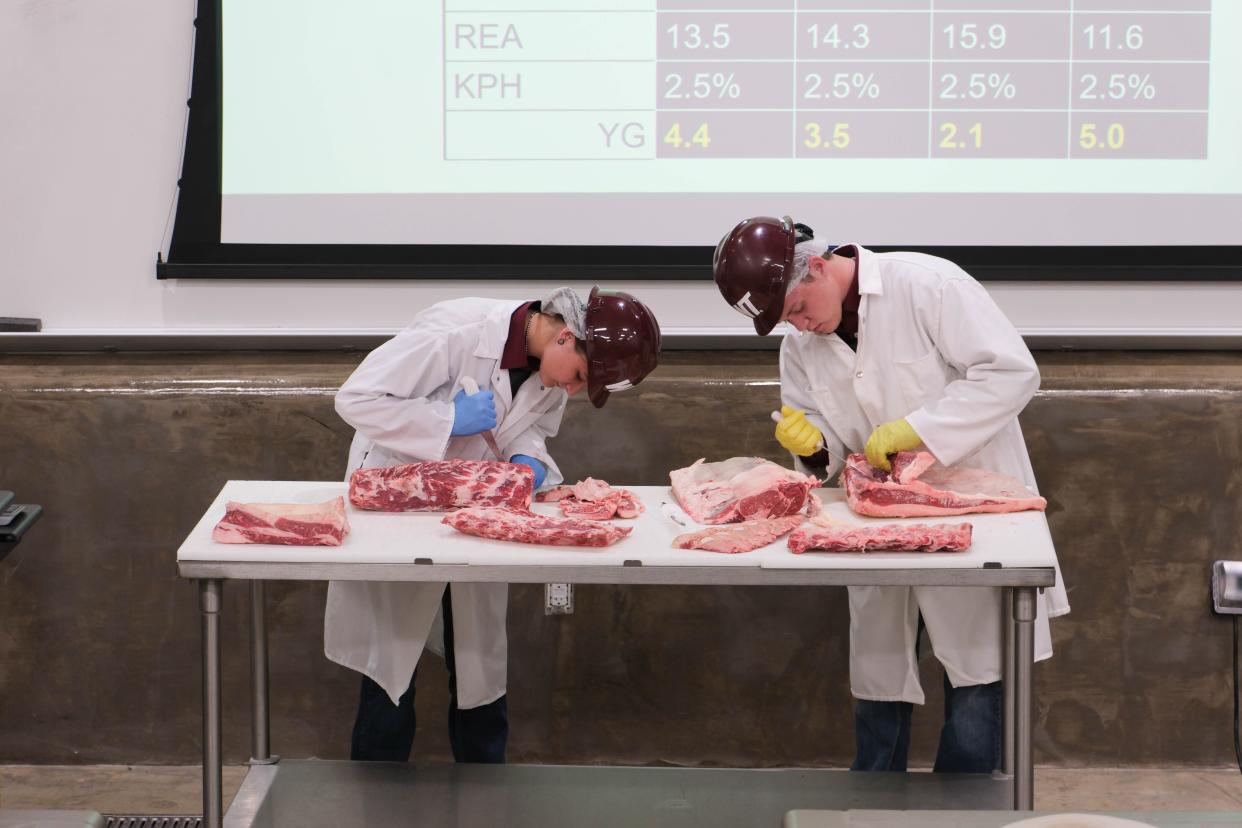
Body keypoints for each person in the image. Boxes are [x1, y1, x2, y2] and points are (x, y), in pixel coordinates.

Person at [712, 215, 1069, 773]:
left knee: (979, 680)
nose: (800, 328)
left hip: (967, 508)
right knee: (881, 681)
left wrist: (920, 430)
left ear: (820, 267)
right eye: (787, 323)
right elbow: (823, 448)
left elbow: (1011, 373)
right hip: (874, 522)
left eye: (799, 310)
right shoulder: (801, 346)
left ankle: (963, 815)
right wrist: (810, 448)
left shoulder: (928, 285)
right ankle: (873, 805)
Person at [325, 286, 661, 764]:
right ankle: (377, 802)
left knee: (478, 664)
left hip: (478, 512)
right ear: (567, 337)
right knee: (391, 673)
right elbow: (355, 398)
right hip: (403, 500)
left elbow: (533, 427)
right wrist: (445, 419)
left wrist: (531, 456)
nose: (570, 391)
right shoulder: (456, 333)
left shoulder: (552, 369)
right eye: (580, 377)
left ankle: (483, 802)